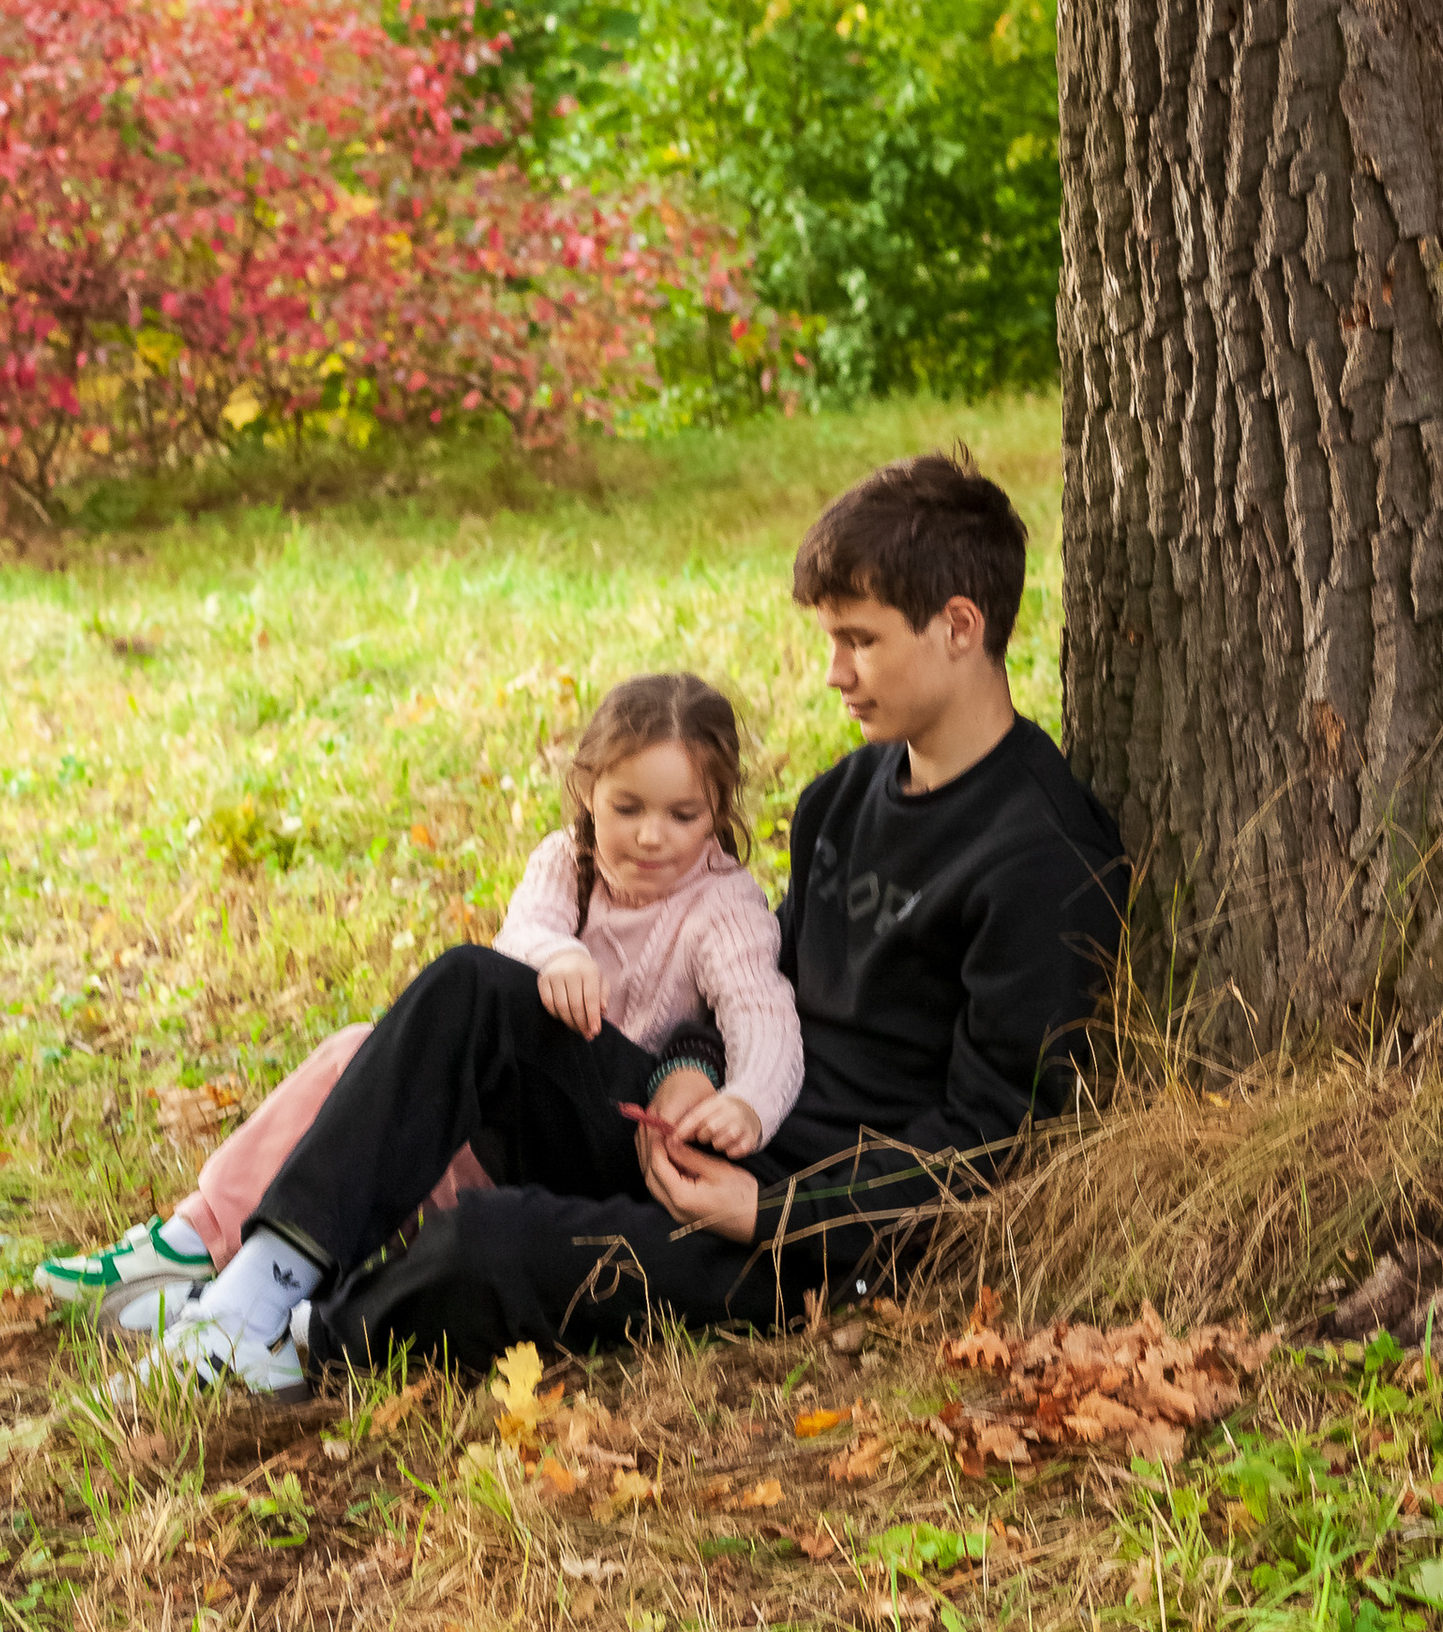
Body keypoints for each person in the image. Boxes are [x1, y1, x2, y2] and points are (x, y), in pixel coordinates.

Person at [90, 452, 1125, 1390]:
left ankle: (302, 1341)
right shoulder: (844, 798)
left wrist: (767, 1212)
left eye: (860, 641)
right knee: (473, 987)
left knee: (488, 1245)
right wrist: (689, 1071)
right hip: (719, 1128)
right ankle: (257, 1284)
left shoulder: (1040, 857)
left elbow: (993, 1145)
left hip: (803, 1240)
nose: (834, 673)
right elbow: (755, 982)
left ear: (958, 627)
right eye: (830, 640)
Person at [36, 672, 800, 1353]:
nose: (650, 835)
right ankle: (203, 1239)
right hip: (518, 1110)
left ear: (718, 810)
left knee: (397, 1071)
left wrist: (747, 1104)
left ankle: (229, 1267)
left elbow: (762, 1016)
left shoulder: (722, 905)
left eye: (682, 815)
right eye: (626, 807)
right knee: (356, 1051)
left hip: (616, 1139)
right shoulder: (567, 862)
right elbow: (519, 946)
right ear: (588, 792)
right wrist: (559, 956)